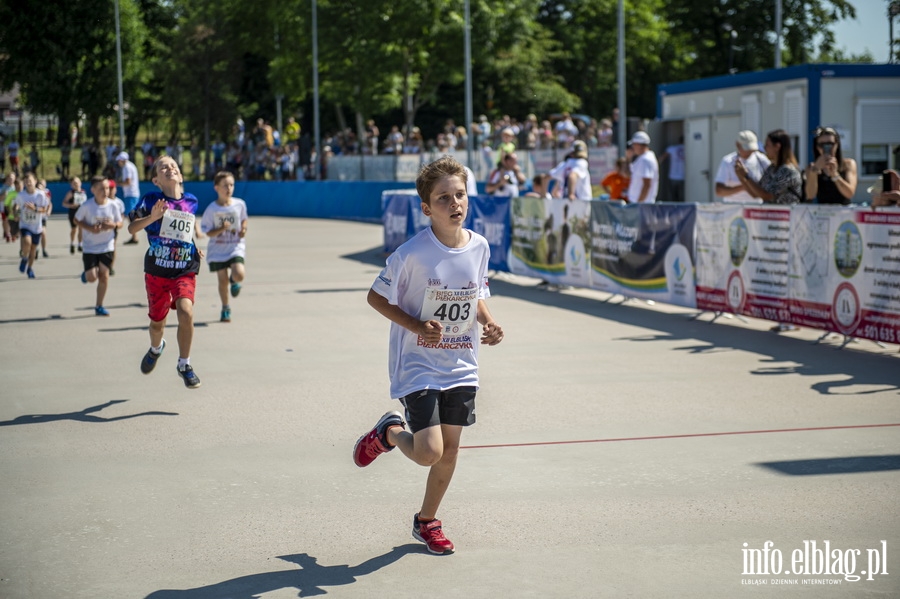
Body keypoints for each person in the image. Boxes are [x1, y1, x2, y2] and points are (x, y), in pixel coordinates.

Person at [352, 155, 504, 556]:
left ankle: (427, 522)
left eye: (460, 195)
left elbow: (477, 293)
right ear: (425, 208)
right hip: (419, 363)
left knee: (450, 451)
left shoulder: (480, 246)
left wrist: (488, 322)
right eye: (443, 198)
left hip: (461, 363)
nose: (455, 204)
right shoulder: (412, 253)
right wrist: (417, 326)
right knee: (429, 452)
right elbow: (375, 296)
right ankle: (388, 433)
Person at [127, 155, 202, 389]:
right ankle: (156, 348)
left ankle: (184, 364)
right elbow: (132, 228)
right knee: (157, 324)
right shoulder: (150, 200)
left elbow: (184, 230)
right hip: (157, 271)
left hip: (184, 268)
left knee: (185, 311)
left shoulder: (191, 201)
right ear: (156, 180)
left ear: (180, 175)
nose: (169, 169)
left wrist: (193, 246)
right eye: (163, 167)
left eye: (173, 166)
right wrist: (153, 217)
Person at [200, 171, 248, 323]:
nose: (229, 188)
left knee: (239, 273)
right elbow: (207, 231)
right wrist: (221, 229)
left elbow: (244, 220)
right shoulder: (212, 209)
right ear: (216, 188)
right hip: (218, 250)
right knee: (222, 281)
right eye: (225, 185)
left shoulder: (239, 204)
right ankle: (225, 307)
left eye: (232, 185)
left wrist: (243, 229)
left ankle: (235, 280)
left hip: (235, 246)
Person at [75, 176, 123, 316]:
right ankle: (86, 275)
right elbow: (76, 220)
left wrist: (113, 225)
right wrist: (89, 228)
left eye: (107, 188)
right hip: (90, 246)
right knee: (92, 277)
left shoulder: (113, 205)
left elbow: (120, 223)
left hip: (106, 246)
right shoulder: (87, 206)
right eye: (101, 188)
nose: (105, 191)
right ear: (93, 190)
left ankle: (99, 306)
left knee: (104, 276)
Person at [735, 129, 802, 205]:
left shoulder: (788, 171)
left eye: (767, 145)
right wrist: (742, 177)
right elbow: (756, 194)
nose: (764, 148)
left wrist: (746, 176)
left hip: (788, 215)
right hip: (770, 215)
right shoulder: (771, 169)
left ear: (777, 147)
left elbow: (767, 196)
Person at [804, 126, 858, 205]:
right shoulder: (811, 168)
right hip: (823, 214)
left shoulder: (848, 164)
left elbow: (850, 193)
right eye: (821, 145)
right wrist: (815, 170)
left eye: (830, 144)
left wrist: (835, 174)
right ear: (817, 147)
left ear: (837, 145)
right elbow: (810, 195)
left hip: (844, 213)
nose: (826, 148)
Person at [715, 131, 771, 204]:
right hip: (733, 208)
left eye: (751, 148)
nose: (749, 151)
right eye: (746, 148)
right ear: (738, 145)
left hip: (755, 207)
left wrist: (748, 182)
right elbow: (719, 191)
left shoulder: (761, 159)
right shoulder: (728, 161)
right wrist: (743, 187)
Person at [13, 171, 50, 278]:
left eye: (30, 181)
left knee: (33, 249)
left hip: (37, 226)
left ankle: (29, 268)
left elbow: (45, 209)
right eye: (26, 181)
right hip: (25, 224)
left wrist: (35, 209)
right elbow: (16, 206)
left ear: (35, 181)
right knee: (27, 241)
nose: (28, 183)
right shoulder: (21, 195)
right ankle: (24, 258)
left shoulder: (41, 195)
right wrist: (16, 213)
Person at [626, 131, 659, 203]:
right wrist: (629, 159)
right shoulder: (644, 158)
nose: (633, 148)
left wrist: (639, 203)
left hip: (642, 204)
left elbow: (646, 184)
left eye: (634, 145)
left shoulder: (645, 160)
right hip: (640, 203)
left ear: (638, 145)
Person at [117, 151, 142, 244]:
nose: (118, 162)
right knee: (131, 215)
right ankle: (134, 236)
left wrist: (118, 183)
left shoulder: (126, 167)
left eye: (119, 160)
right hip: (132, 193)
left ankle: (134, 236)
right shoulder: (130, 166)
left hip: (130, 194)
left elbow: (128, 182)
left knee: (131, 215)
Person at [62, 176, 88, 254]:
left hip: (82, 213)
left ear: (80, 183)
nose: (76, 184)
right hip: (73, 212)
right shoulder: (71, 193)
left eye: (77, 182)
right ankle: (72, 243)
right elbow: (64, 203)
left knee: (81, 229)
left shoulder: (83, 192)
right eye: (74, 183)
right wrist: (71, 205)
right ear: (71, 185)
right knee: (74, 229)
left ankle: (80, 244)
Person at [658, 136, 685, 202]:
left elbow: (661, 159)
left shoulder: (672, 149)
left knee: (674, 197)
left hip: (673, 176)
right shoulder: (689, 148)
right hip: (684, 176)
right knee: (683, 197)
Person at [1, 172, 15, 242]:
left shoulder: (15, 187)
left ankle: (10, 232)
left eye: (12, 179)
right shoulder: (4, 188)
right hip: (4, 207)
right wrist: (4, 195)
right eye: (9, 179)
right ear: (6, 179)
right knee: (5, 220)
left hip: (12, 207)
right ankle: (7, 233)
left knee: (11, 220)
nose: (11, 180)